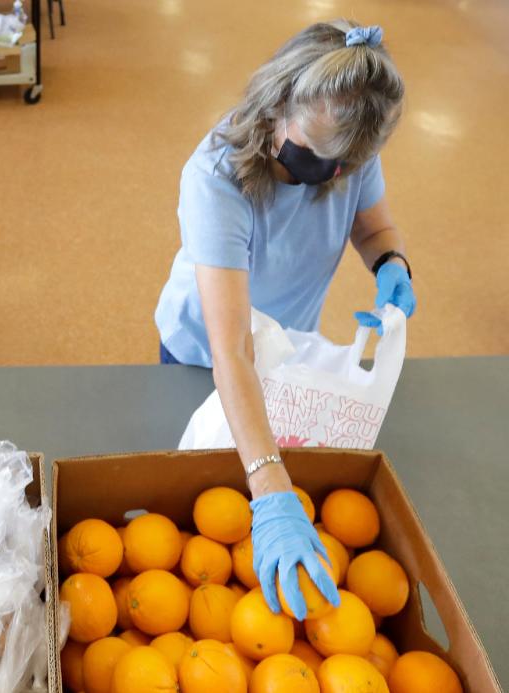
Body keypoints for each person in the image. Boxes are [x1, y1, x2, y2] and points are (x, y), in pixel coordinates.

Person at [154, 21, 415, 619]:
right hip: (204, 353)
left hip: (283, 348)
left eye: (353, 164)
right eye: (324, 161)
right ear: (276, 108)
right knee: (204, 489)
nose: (340, 178)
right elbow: (232, 352)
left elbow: (372, 227)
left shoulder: (346, 143)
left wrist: (391, 264)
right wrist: (271, 489)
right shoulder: (215, 180)